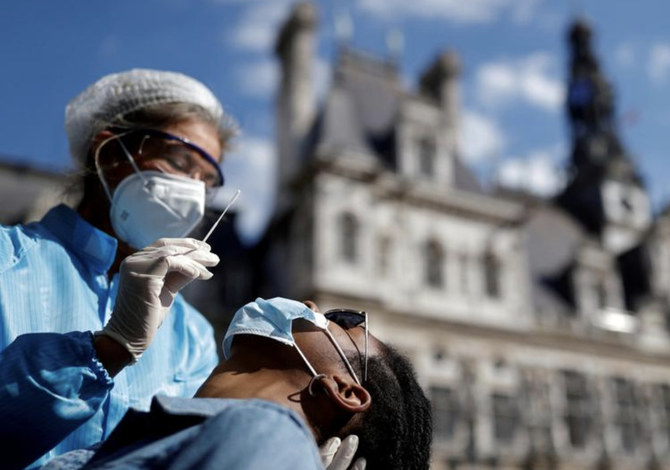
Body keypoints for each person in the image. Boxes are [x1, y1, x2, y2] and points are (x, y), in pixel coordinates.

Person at [0, 69, 236, 469]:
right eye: (180, 161)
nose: (195, 191)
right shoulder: (7, 259)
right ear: (110, 154)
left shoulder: (193, 334)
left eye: (207, 180)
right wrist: (108, 349)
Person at [43, 296, 433, 470]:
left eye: (343, 322)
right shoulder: (157, 433)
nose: (312, 307)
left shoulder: (265, 434)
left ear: (344, 390)